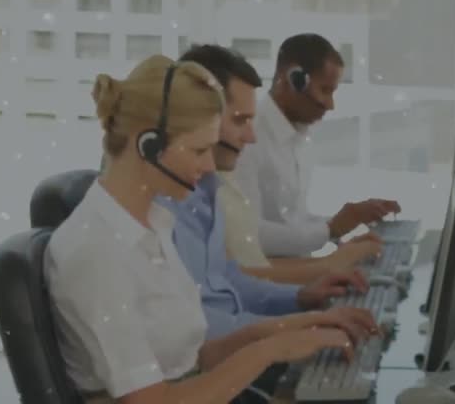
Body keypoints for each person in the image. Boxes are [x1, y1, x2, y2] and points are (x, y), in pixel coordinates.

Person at [45, 55, 368, 404]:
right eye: (199, 150)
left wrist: (303, 326)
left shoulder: (154, 223)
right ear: (148, 145)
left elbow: (198, 358)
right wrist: (270, 350)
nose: (209, 166)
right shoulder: (97, 252)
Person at [177, 43, 382, 286]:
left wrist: (333, 252)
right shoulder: (197, 190)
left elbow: (241, 271)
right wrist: (329, 248)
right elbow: (241, 270)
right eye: (325, 90)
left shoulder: (221, 176)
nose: (331, 104)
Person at [233, 33, 401, 258]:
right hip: (268, 274)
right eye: (325, 90)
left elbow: (294, 222)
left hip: (298, 268)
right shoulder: (248, 138)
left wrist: (347, 223)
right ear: (293, 79)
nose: (330, 105)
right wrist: (330, 229)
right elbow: (249, 233)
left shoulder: (299, 137)